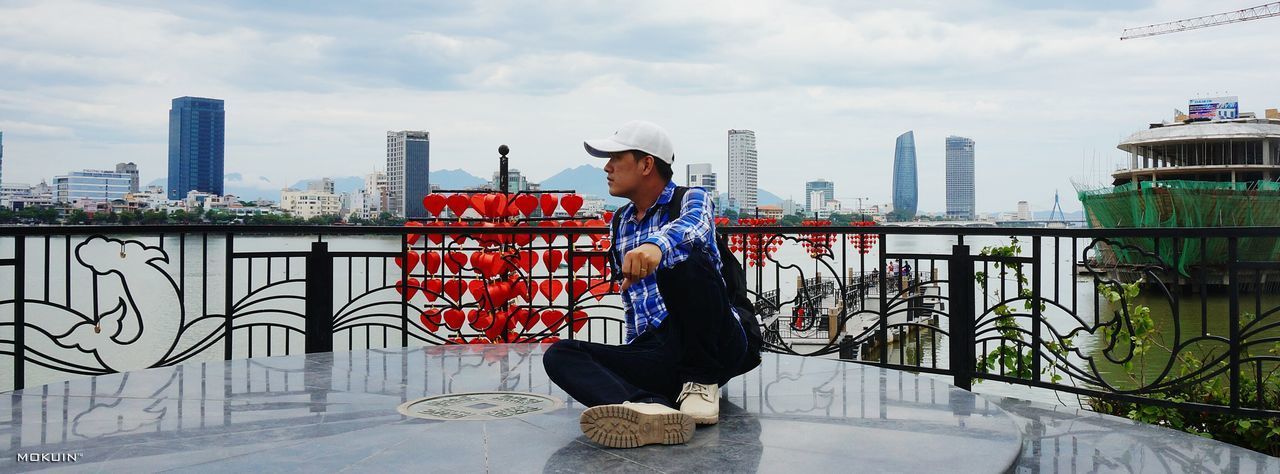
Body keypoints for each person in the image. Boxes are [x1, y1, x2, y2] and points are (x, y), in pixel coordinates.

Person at [543, 120, 753, 449]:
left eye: (615, 158)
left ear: (645, 164)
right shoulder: (620, 222)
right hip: (659, 349)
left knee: (682, 263)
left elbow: (694, 226)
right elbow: (634, 306)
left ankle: (701, 380)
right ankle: (645, 407)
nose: (607, 168)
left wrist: (655, 247)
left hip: (713, 337)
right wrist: (635, 358)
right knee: (561, 354)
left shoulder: (691, 198)